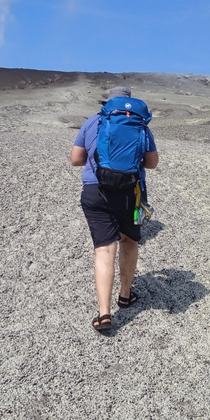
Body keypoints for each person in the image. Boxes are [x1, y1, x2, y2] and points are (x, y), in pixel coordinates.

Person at [70, 86, 158, 330]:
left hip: (95, 191)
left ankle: (104, 314)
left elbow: (76, 159)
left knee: (104, 250)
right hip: (132, 192)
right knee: (129, 241)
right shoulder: (140, 125)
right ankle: (125, 295)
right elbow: (152, 163)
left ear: (108, 102)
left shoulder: (93, 122)